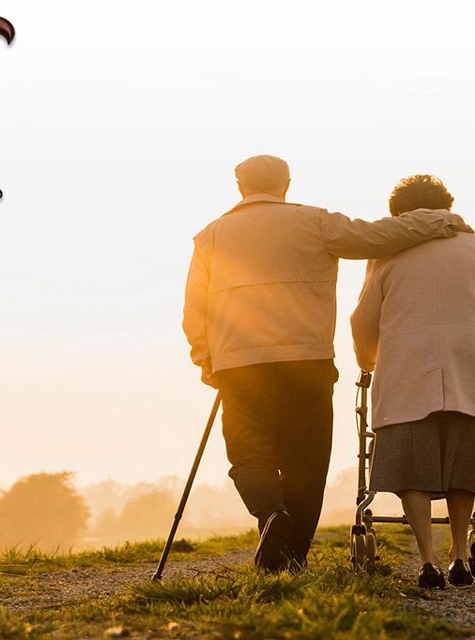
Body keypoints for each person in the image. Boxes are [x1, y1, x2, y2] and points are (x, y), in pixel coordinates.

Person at [182, 155, 472, 572]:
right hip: (308, 361)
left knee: (248, 454)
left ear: (239, 184)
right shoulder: (315, 223)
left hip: (240, 363)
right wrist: (440, 221)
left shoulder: (209, 237)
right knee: (307, 462)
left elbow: (195, 311)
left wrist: (206, 359)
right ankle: (292, 557)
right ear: (286, 183)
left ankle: (269, 514)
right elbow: (379, 236)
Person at [351, 174, 475, 589]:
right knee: (463, 468)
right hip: (469, 370)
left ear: (400, 215)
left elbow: (362, 320)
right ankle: (460, 552)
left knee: (411, 469)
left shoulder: (389, 255)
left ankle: (428, 560)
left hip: (407, 371)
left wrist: (367, 361)